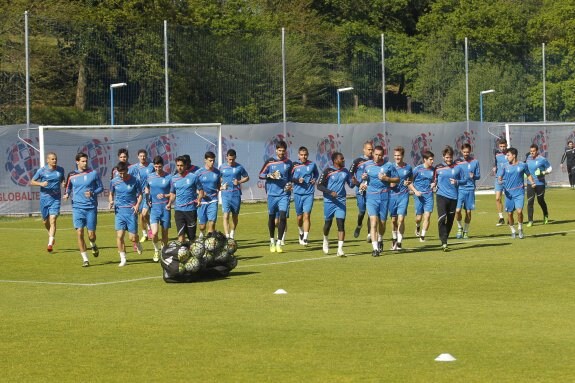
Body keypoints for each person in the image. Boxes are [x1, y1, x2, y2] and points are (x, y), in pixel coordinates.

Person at [64, 152, 104, 267]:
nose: (85, 163)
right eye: (83, 161)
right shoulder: (71, 175)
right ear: (77, 162)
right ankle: (85, 259)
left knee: (91, 235)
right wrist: (67, 194)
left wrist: (92, 192)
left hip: (91, 208)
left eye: (86, 161)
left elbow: (100, 187)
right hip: (77, 208)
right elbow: (68, 187)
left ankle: (93, 244)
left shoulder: (93, 173)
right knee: (79, 232)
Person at [361, 146, 399, 256]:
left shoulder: (389, 166)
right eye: (376, 154)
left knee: (382, 223)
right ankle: (375, 249)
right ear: (373, 153)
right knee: (373, 222)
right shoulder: (367, 165)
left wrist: (387, 179)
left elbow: (397, 179)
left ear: (383, 155)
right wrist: (364, 180)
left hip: (384, 197)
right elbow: (365, 178)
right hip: (371, 197)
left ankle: (380, 238)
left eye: (380, 155)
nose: (378, 157)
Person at [316, 152, 354, 257]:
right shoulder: (328, 171)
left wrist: (354, 181)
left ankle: (340, 249)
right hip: (329, 202)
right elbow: (319, 185)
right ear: (335, 160)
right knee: (327, 224)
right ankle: (325, 239)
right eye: (341, 159)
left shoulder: (345, 171)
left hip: (341, 201)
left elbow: (350, 185)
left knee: (341, 224)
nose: (343, 160)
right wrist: (330, 192)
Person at [258, 140, 293, 253]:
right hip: (272, 195)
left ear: (285, 151)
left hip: (284, 194)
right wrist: (271, 175)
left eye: (283, 151)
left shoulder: (289, 163)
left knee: (282, 217)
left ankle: (279, 243)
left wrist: (289, 185)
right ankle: (272, 240)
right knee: (272, 218)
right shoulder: (270, 162)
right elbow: (261, 175)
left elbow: (291, 178)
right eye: (279, 150)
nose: (281, 153)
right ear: (276, 150)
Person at [108, 161, 143, 267]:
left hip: (131, 212)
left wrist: (137, 205)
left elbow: (140, 194)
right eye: (120, 173)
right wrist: (111, 201)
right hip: (119, 212)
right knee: (119, 236)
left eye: (123, 173)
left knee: (132, 237)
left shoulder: (135, 180)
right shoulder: (114, 181)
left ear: (127, 171)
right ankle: (123, 259)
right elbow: (111, 194)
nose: (122, 175)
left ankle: (137, 242)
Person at [29, 152, 65, 252]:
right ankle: (51, 236)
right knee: (45, 221)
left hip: (56, 198)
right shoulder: (42, 171)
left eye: (55, 159)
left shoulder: (60, 170)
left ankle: (50, 243)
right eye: (52, 159)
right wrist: (41, 183)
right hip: (45, 198)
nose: (54, 161)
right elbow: (31, 181)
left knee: (53, 219)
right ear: (47, 160)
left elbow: (62, 179)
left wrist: (63, 183)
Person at [497, 147, 536, 239]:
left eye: (508, 155)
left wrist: (532, 182)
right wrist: (500, 181)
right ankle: (513, 230)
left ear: (514, 155)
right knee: (510, 214)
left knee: (519, 212)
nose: (507, 157)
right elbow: (500, 177)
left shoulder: (523, 165)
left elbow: (528, 174)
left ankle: (520, 228)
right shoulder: (505, 166)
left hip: (519, 192)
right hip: (509, 193)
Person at [434, 146, 465, 252]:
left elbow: (464, 180)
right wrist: (433, 184)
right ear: (443, 157)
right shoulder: (437, 168)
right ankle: (444, 242)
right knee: (442, 218)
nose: (448, 159)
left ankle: (444, 237)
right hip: (441, 196)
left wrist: (457, 182)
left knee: (450, 220)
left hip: (454, 197)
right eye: (446, 157)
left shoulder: (458, 168)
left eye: (450, 157)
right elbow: (434, 180)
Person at [167, 156, 204, 243]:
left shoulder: (193, 177)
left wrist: (199, 200)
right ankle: (183, 254)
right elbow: (173, 193)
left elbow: (201, 191)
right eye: (178, 165)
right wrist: (169, 203)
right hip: (179, 210)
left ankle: (192, 252)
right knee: (181, 237)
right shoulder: (173, 179)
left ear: (186, 165)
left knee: (191, 238)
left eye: (181, 165)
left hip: (191, 210)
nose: (179, 167)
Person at [219, 149, 250, 239]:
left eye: (233, 159)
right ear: (226, 157)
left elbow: (247, 177)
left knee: (235, 216)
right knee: (226, 215)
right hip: (225, 194)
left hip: (236, 194)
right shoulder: (222, 167)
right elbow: (219, 178)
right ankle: (227, 235)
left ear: (235, 157)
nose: (231, 161)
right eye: (229, 159)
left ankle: (232, 232)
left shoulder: (239, 167)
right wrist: (221, 185)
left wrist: (239, 182)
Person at [146, 156, 172, 262]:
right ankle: (156, 250)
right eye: (156, 167)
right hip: (154, 208)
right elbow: (147, 188)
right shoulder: (150, 177)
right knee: (155, 232)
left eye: (159, 166)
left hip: (165, 208)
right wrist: (148, 198)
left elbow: (173, 193)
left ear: (163, 165)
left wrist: (166, 196)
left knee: (165, 233)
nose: (157, 169)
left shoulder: (169, 177)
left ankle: (163, 251)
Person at [291, 146, 319, 246]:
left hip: (309, 193)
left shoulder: (312, 164)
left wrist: (314, 179)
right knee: (299, 217)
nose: (304, 157)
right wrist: (297, 180)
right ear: (298, 155)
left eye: (305, 155)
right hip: (298, 193)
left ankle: (306, 237)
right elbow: (289, 178)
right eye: (302, 155)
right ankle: (300, 232)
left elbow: (316, 174)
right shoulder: (294, 165)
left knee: (307, 215)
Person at [454, 143, 481, 239]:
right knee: (457, 211)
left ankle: (466, 231)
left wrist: (474, 176)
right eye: (464, 152)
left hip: (470, 190)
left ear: (470, 151)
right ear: (461, 151)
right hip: (460, 189)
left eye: (467, 152)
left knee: (468, 212)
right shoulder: (457, 162)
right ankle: (459, 227)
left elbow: (478, 176)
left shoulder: (475, 162)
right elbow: (454, 175)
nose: (466, 154)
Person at [389, 146, 413, 251]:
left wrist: (408, 182)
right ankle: (394, 239)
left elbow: (411, 178)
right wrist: (391, 184)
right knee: (394, 220)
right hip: (392, 196)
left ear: (402, 156)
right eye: (395, 155)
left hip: (404, 195)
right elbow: (386, 180)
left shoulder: (408, 168)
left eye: (399, 155)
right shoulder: (389, 167)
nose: (397, 157)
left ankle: (399, 242)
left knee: (401, 219)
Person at [409, 150, 435, 243]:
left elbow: (435, 180)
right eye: (430, 159)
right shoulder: (417, 169)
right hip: (419, 196)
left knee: (427, 216)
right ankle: (417, 226)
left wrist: (434, 184)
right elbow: (409, 182)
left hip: (429, 195)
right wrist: (415, 191)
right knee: (418, 218)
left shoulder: (433, 170)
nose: (432, 161)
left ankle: (422, 236)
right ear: (425, 160)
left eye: (433, 159)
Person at [350, 141, 374, 241]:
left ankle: (369, 234)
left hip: (371, 190)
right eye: (369, 149)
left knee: (370, 212)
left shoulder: (375, 161)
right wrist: (358, 183)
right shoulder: (357, 161)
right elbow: (350, 174)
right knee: (362, 212)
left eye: (372, 149)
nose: (371, 151)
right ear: (364, 150)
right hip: (360, 190)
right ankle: (359, 225)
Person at [131, 149, 154, 244]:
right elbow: (130, 179)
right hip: (138, 194)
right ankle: (145, 234)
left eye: (144, 156)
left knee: (144, 214)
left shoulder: (151, 166)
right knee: (141, 216)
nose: (143, 157)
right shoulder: (134, 168)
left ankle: (149, 229)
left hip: (148, 194)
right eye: (141, 156)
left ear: (146, 156)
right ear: (138, 157)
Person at [525, 144, 552, 226]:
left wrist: (544, 172)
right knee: (530, 202)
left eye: (533, 151)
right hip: (530, 183)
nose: (532, 153)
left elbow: (550, 168)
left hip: (540, 183)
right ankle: (530, 221)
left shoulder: (542, 159)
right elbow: (526, 168)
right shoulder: (528, 158)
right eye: (531, 151)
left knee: (540, 200)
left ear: (537, 151)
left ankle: (545, 215)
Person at [196, 151, 221, 237]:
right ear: (205, 160)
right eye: (210, 160)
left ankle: (210, 242)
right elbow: (193, 187)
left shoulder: (217, 172)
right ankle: (202, 234)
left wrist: (222, 187)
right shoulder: (198, 173)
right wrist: (200, 193)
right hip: (202, 202)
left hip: (213, 200)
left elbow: (218, 187)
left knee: (212, 222)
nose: (212, 162)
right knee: (202, 226)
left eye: (213, 160)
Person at [492, 139, 508, 226]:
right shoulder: (496, 154)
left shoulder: (510, 154)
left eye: (504, 146)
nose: (502, 148)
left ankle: (510, 215)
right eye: (501, 146)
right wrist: (494, 168)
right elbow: (495, 164)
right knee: (498, 198)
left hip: (508, 179)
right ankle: (501, 218)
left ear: (507, 145)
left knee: (509, 198)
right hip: (498, 179)